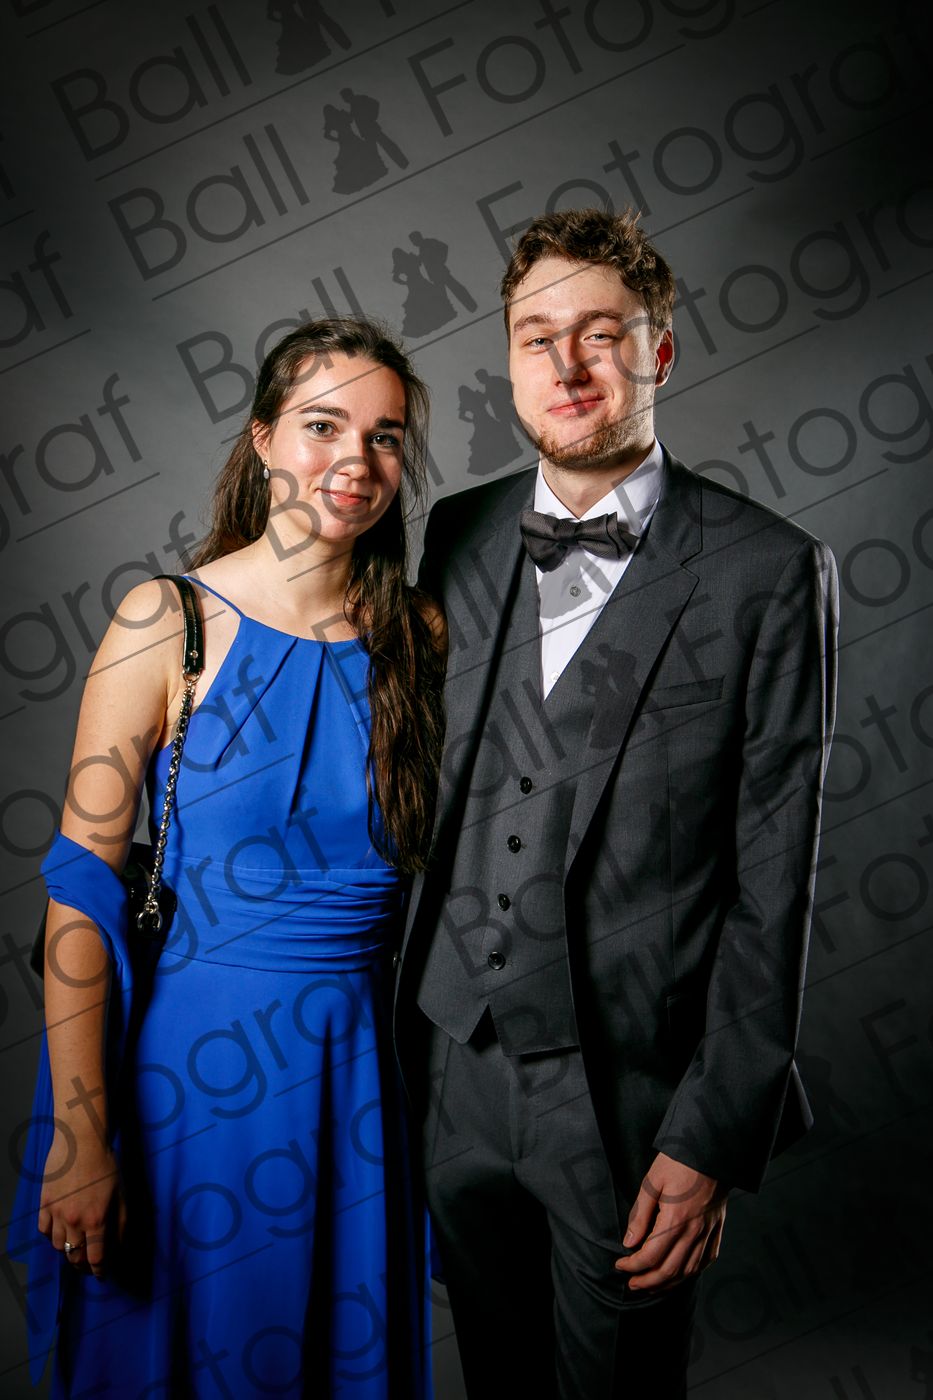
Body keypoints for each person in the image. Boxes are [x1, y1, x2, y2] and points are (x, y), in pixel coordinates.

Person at [394, 208, 839, 1398]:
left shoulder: (769, 570)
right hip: (453, 1073)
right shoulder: (459, 533)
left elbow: (775, 875)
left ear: (661, 351)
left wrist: (712, 1131)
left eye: (602, 332)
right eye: (537, 336)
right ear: (507, 360)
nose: (569, 364)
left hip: (631, 1100)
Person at [10, 318, 445, 1398]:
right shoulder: (167, 622)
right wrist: (80, 1136)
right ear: (262, 439)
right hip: (193, 1086)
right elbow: (80, 889)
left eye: (386, 436)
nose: (355, 459)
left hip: (360, 1083)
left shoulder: (423, 639)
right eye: (323, 425)